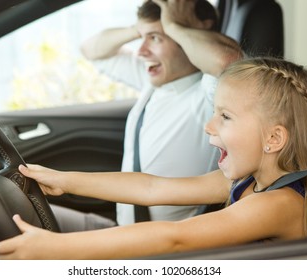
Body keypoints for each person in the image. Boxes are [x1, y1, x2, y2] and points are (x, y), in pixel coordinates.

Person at [0, 57, 307, 259]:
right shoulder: (247, 182)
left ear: (273, 139)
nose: (208, 127)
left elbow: (176, 238)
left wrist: (57, 249)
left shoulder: (278, 204)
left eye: (225, 117)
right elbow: (152, 187)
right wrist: (66, 180)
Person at [51, 0, 242, 230]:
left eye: (155, 38)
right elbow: (91, 50)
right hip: (120, 229)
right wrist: (141, 28)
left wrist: (174, 26)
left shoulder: (209, 95)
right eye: (143, 38)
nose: (141, 51)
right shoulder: (152, 83)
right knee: (21, 208)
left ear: (193, 32)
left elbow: (227, 61)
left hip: (159, 247)